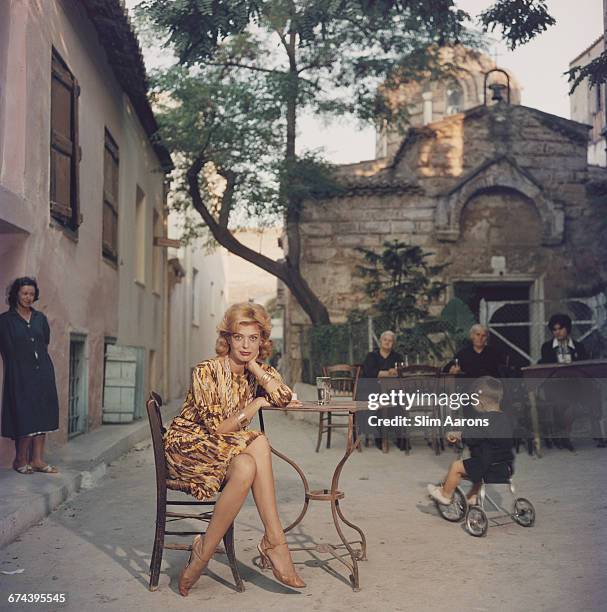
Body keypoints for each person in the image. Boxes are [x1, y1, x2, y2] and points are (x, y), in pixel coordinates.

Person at [164, 302, 305, 596]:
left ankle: (202, 551)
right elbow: (217, 428)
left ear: (262, 341)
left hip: (225, 451)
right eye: (239, 337)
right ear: (227, 338)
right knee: (259, 441)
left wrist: (253, 365)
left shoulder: (258, 371)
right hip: (190, 446)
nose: (245, 344)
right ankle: (275, 542)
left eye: (253, 338)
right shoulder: (206, 371)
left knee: (246, 466)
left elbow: (283, 396)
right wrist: (256, 403)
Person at [0, 277, 59, 474]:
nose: (28, 297)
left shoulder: (40, 318)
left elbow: (45, 341)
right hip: (19, 374)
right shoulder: (5, 321)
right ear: (16, 294)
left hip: (42, 372)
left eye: (32, 294)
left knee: (43, 414)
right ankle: (20, 460)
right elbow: (6, 350)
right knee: (24, 415)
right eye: (25, 293)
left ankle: (38, 460)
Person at [427, 377, 514, 506]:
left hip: (486, 467)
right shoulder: (505, 418)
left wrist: (457, 434)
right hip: (505, 467)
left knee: (457, 467)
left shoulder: (484, 421)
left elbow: (472, 436)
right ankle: (473, 496)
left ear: (481, 403)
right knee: (475, 467)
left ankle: (445, 495)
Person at [538, 313, 601, 450]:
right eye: (554, 329)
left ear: (567, 329)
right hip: (554, 385)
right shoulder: (547, 347)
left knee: (573, 403)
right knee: (561, 402)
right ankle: (562, 436)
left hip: (574, 384)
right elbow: (546, 367)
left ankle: (564, 435)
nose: (557, 332)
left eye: (560, 328)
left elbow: (584, 367)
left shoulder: (578, 347)